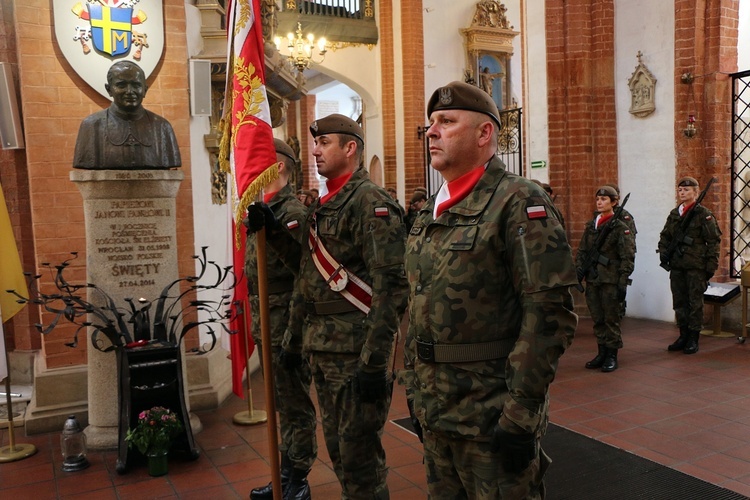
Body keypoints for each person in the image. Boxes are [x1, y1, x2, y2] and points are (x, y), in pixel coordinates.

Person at [401, 81, 577, 499]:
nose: (431, 131)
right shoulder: (431, 209)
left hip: (490, 414)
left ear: (485, 135)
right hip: (436, 410)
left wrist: (521, 413)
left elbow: (548, 314)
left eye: (446, 121)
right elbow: (419, 301)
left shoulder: (517, 201)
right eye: (430, 123)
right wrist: (413, 387)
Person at [248, 114, 408, 499]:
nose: (315, 151)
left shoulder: (370, 203)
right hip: (325, 349)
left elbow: (391, 289)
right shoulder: (325, 204)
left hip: (355, 353)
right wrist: (272, 233)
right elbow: (308, 272)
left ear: (350, 148)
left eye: (324, 143)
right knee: (340, 453)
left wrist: (374, 362)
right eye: (315, 144)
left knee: (360, 461)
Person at [245, 139, 317, 500]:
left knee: (293, 405)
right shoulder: (260, 210)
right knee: (278, 405)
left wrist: (295, 333)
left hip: (287, 323)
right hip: (266, 322)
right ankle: (282, 474)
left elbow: (305, 276)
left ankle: (297, 479)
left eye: (261, 161)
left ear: (281, 166)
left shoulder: (292, 212)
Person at [73, 61, 181, 170]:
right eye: (121, 85)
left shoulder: (162, 126)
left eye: (136, 85)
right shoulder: (92, 126)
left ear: (145, 90)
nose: (129, 91)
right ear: (109, 89)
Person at [575, 186, 636, 372]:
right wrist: (579, 272)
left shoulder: (620, 228)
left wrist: (623, 281)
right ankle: (601, 352)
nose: (600, 202)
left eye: (604, 199)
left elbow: (628, 255)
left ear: (614, 202)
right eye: (598, 200)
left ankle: (612, 355)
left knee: (611, 319)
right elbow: (583, 251)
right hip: (593, 279)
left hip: (610, 280)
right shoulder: (591, 225)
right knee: (598, 318)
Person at [658, 176, 721, 354]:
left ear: (696, 192)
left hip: (695, 266)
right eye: (680, 190)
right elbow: (665, 236)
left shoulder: (703, 214)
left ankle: (693, 337)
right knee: (679, 301)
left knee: (695, 303)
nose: (682, 193)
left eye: (686, 190)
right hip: (677, 265)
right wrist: (664, 251)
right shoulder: (674, 214)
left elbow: (713, 241)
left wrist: (710, 265)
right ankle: (683, 334)